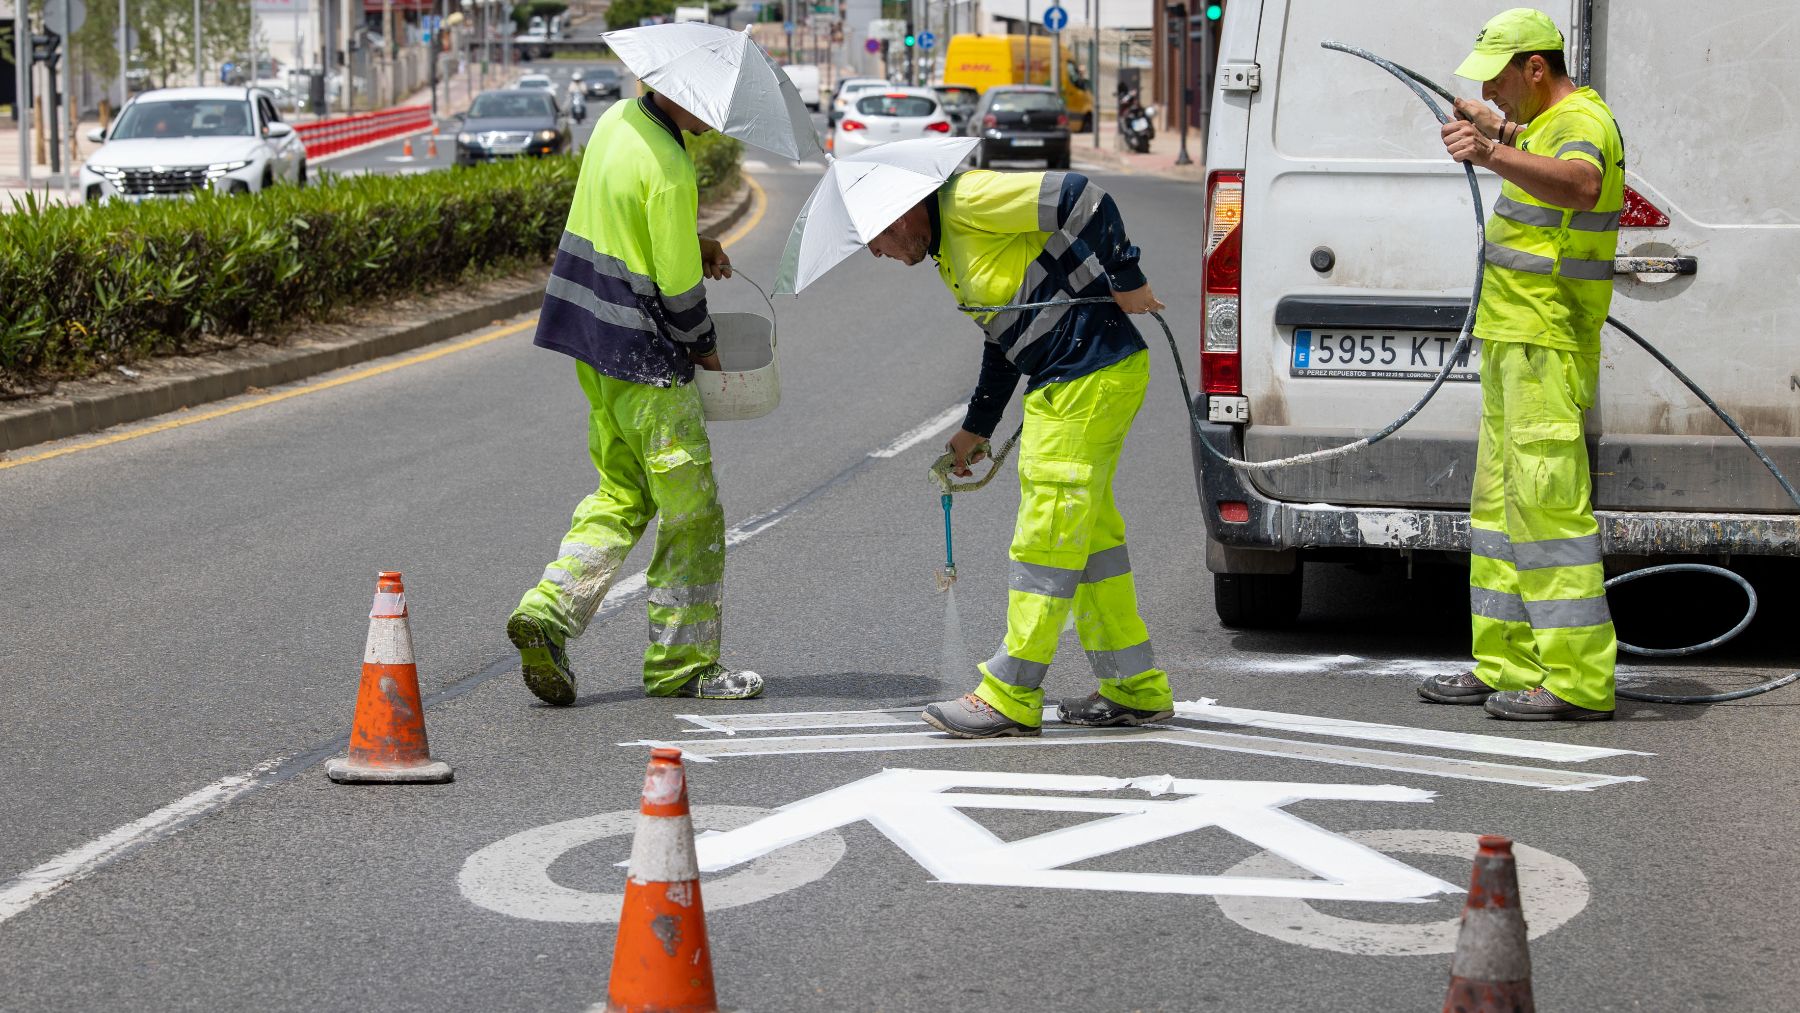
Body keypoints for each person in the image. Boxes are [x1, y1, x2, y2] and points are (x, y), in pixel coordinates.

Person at [865, 168, 1174, 738]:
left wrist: (1126, 276)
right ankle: (1135, 687)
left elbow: (1082, 196)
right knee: (1090, 543)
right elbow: (1007, 333)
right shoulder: (949, 253)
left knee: (1047, 535)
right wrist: (977, 427)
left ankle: (1011, 692)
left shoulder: (965, 200)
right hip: (1077, 379)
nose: (876, 253)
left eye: (875, 238)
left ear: (901, 213)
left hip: (1086, 373)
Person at [506, 88, 763, 707]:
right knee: (692, 513)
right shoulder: (672, 168)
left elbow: (628, 220)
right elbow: (677, 290)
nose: (720, 120)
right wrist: (707, 352)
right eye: (717, 104)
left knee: (622, 491)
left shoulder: (618, 121)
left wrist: (693, 241)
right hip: (647, 358)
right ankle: (683, 665)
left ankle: (548, 610)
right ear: (686, 92)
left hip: (594, 346)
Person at [1417, 8, 1624, 721]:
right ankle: (1505, 663)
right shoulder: (1543, 122)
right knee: (1503, 509)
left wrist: (1488, 152)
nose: (1495, 93)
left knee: (1548, 512)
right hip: (1515, 340)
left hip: (1547, 341)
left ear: (1536, 67)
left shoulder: (1584, 124)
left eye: (1501, 80)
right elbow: (1533, 141)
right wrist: (1496, 127)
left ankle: (1576, 680)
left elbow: (1579, 184)